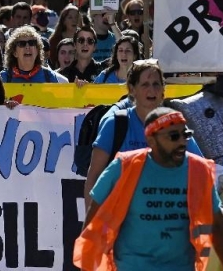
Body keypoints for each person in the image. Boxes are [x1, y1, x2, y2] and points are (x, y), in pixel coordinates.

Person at [75, 107, 223, 271]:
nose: (182, 142)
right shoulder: (123, 167)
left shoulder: (199, 170)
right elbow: (93, 220)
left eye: (185, 135)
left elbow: (218, 225)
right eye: (173, 136)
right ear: (151, 140)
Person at [83, 59, 204, 209]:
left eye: (156, 84)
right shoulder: (115, 124)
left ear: (163, 91)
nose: (151, 90)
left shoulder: (176, 127)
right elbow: (94, 176)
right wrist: (93, 226)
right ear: (132, 90)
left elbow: (201, 173)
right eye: (145, 84)